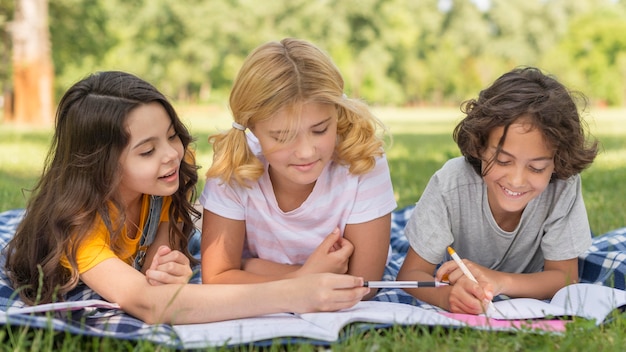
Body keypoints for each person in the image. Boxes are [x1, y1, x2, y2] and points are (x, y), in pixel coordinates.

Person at [3, 71, 369, 324]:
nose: (172, 154)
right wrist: (293, 293)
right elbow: (149, 304)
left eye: (171, 135)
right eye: (147, 151)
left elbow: (158, 271)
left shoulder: (166, 177)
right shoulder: (80, 228)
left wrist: (168, 267)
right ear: (101, 166)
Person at [200, 38, 397, 300]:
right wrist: (303, 277)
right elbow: (216, 279)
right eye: (282, 136)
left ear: (337, 113)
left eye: (320, 130)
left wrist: (250, 268)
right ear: (252, 127)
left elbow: (363, 284)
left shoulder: (361, 159)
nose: (305, 152)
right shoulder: (236, 165)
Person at [396, 67, 599, 314]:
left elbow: (565, 278)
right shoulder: (450, 184)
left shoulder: (563, 186)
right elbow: (410, 275)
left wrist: (499, 280)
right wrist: (446, 296)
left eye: (536, 168)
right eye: (503, 161)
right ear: (480, 145)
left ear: (556, 162)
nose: (516, 180)